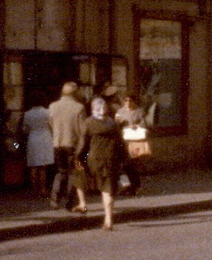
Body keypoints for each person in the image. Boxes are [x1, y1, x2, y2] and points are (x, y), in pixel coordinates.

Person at [76, 97, 126, 230]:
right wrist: (123, 158)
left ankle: (82, 203)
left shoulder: (88, 123)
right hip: (110, 159)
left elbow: (83, 143)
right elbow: (120, 143)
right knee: (108, 189)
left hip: (94, 159)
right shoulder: (112, 123)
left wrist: (78, 157)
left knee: (79, 176)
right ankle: (108, 220)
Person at [48, 81, 87, 211]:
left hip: (57, 143)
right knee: (74, 173)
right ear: (75, 92)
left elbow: (50, 124)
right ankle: (70, 201)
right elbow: (83, 130)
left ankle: (54, 199)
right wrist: (82, 147)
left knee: (61, 171)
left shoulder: (52, 106)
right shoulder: (79, 107)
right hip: (73, 144)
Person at [22, 93, 54, 197]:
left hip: (33, 138)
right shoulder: (47, 112)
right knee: (43, 166)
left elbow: (25, 130)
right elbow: (52, 125)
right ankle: (43, 189)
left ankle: (34, 190)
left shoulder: (27, 114)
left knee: (33, 166)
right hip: (45, 138)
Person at [113, 93, 146, 196]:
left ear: (134, 101)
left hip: (133, 141)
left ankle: (135, 186)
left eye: (130, 100)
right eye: (126, 100)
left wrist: (136, 126)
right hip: (122, 140)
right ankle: (127, 185)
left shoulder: (139, 111)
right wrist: (117, 123)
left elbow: (144, 124)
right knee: (122, 164)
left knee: (132, 164)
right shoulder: (120, 112)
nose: (128, 103)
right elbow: (115, 124)